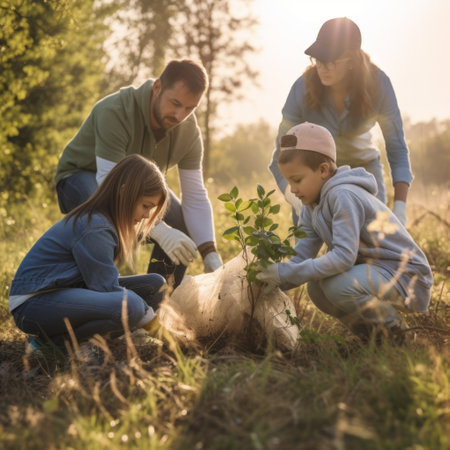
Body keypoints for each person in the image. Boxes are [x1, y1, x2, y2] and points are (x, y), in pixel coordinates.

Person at [258, 123, 433, 342]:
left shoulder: (343, 195)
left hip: (405, 275)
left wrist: (284, 273)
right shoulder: (311, 205)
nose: (292, 189)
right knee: (316, 289)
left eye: (297, 180)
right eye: (289, 181)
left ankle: (398, 333)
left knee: (336, 286)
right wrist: (273, 280)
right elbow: (302, 256)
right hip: (375, 272)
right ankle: (372, 337)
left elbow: (343, 257)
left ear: (322, 170)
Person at [55, 59, 222, 287]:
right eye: (174, 103)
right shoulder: (115, 111)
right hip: (82, 177)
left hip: (137, 185)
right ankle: (98, 298)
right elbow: (109, 186)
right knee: (101, 219)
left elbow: (194, 195)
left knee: (183, 225)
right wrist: (160, 231)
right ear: (157, 88)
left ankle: (156, 305)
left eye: (190, 108)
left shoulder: (189, 132)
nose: (179, 115)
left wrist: (210, 252)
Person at [10, 155, 169, 351]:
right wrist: (164, 335)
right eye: (146, 206)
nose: (146, 215)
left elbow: (102, 286)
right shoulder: (96, 226)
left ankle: (92, 339)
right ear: (124, 192)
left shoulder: (106, 222)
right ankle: (49, 346)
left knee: (156, 285)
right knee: (133, 306)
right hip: (34, 303)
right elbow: (106, 288)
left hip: (68, 290)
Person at [269, 17, 412, 226]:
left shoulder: (379, 85)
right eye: (318, 59)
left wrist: (400, 208)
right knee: (304, 249)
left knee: (372, 245)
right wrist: (296, 199)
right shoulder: (301, 89)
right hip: (317, 171)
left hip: (364, 170)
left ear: (352, 61)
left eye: (331, 61)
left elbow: (397, 149)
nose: (322, 67)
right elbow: (281, 153)